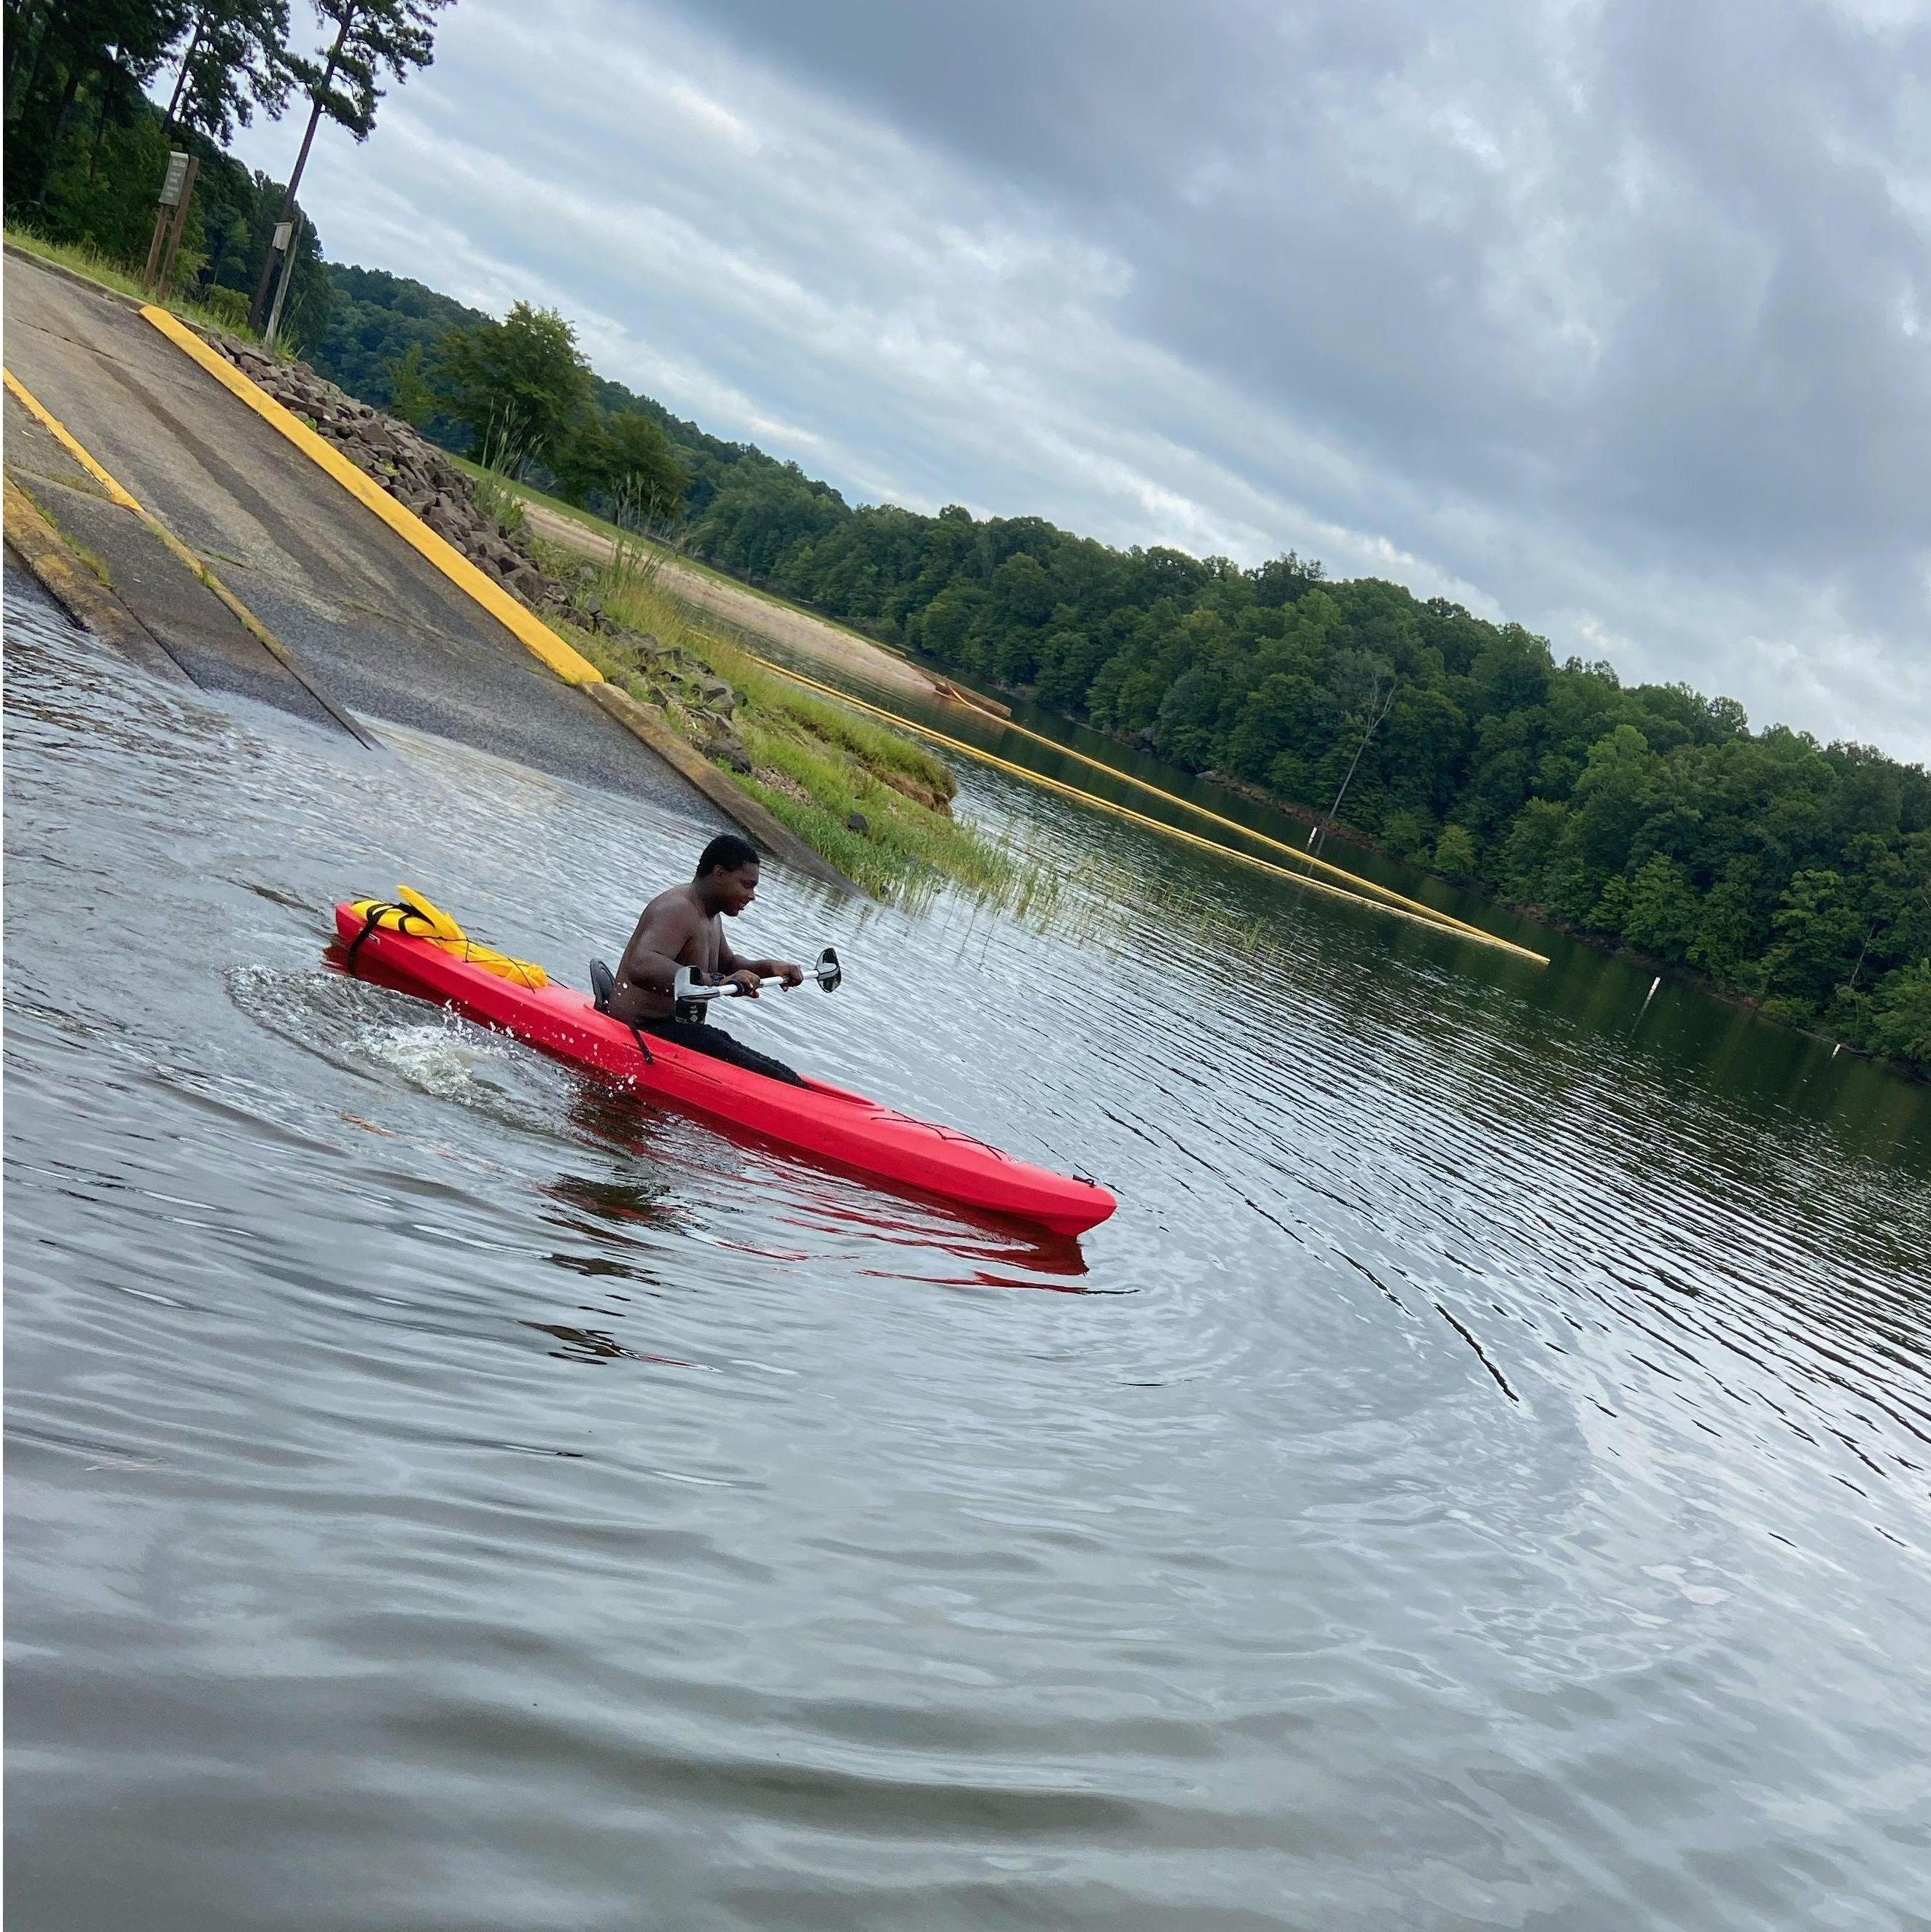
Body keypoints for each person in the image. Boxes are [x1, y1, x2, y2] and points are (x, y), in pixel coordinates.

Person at [605, 834, 807, 1084]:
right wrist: (717, 982)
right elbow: (642, 964)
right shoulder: (678, 909)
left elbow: (729, 965)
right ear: (719, 874)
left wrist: (770, 968)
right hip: (644, 1030)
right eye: (746, 885)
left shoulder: (711, 916)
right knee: (777, 1079)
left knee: (783, 1074)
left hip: (678, 1030)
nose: (752, 895)